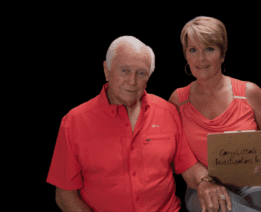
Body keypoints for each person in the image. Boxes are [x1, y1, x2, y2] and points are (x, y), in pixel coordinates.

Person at [47, 36, 207, 211]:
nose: (132, 81)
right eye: (124, 70)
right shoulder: (73, 122)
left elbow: (189, 167)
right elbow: (64, 194)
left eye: (141, 73)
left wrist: (207, 183)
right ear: (106, 70)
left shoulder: (168, 112)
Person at [169, 16, 261, 212]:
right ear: (185, 56)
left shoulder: (249, 92)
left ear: (222, 55)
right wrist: (203, 180)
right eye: (193, 50)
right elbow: (175, 155)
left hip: (257, 183)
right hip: (203, 186)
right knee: (222, 206)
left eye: (209, 49)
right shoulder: (178, 100)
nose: (201, 59)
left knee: (256, 203)